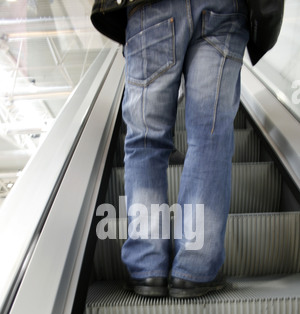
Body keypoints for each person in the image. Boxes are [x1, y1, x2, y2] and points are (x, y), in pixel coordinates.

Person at [91, 0, 284, 298]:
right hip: (224, 9)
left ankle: (147, 266)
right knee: (210, 137)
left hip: (150, 8)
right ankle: (195, 267)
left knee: (146, 141)